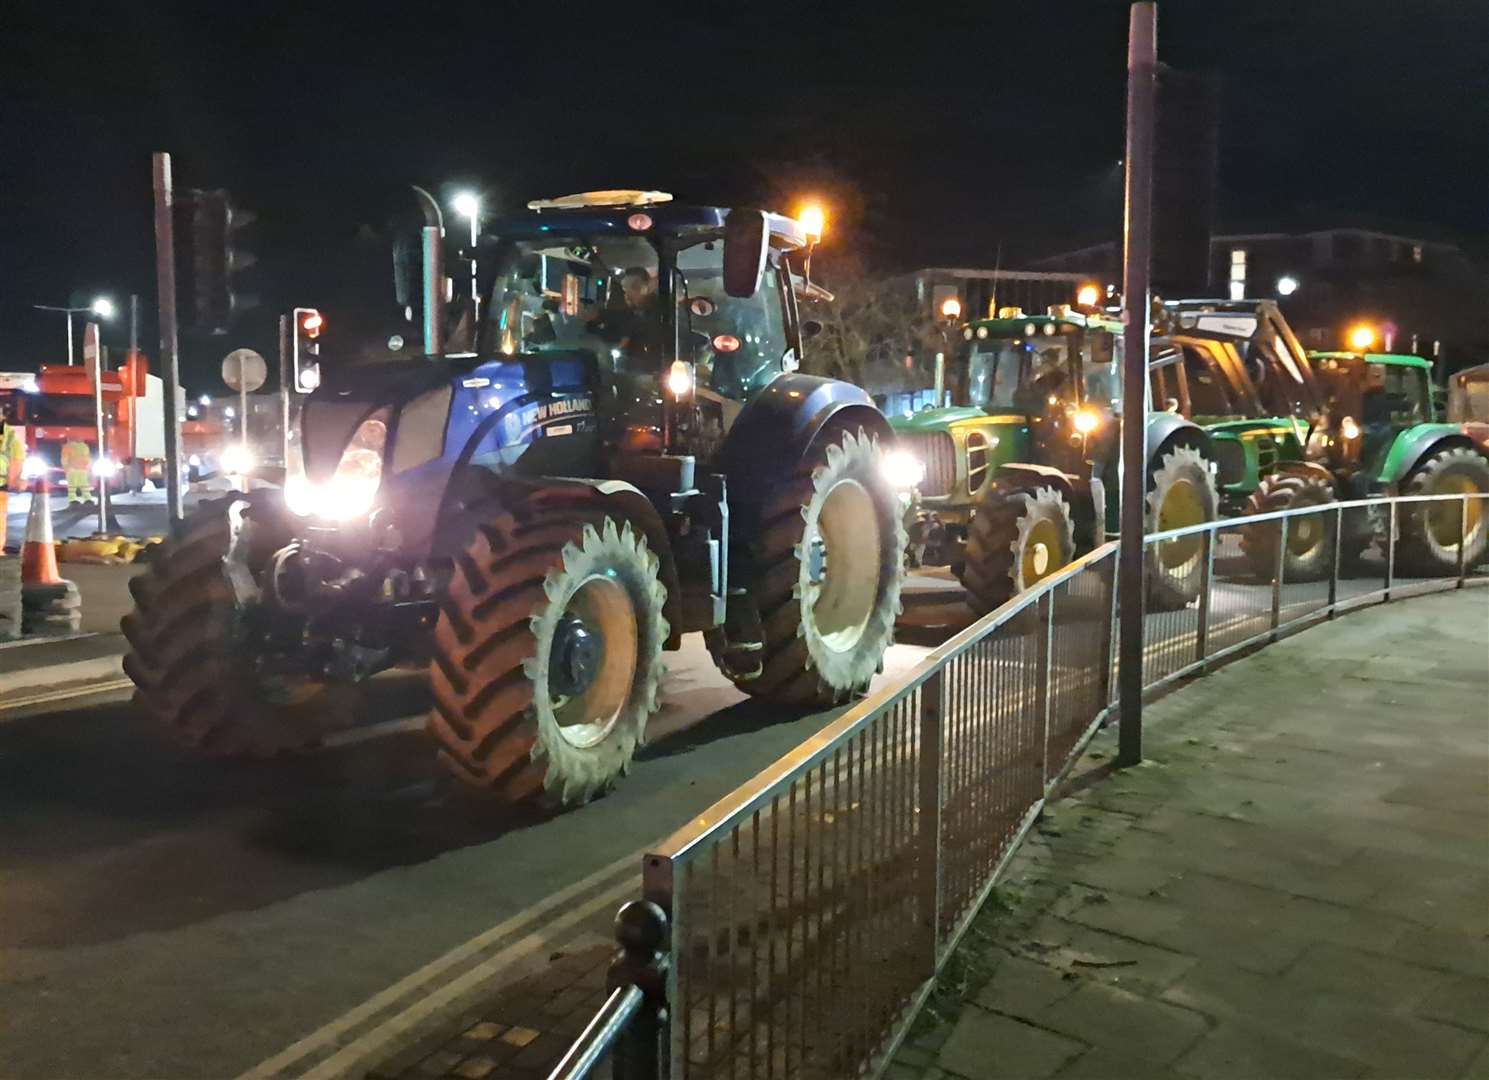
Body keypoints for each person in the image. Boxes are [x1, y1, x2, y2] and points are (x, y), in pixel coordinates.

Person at [586, 267, 664, 371]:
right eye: (625, 290)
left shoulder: (658, 311)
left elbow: (626, 331)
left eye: (631, 289)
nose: (627, 295)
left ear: (644, 288)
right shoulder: (636, 312)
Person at [61, 438, 94, 505]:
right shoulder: (84, 446)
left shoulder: (67, 446)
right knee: (84, 485)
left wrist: (66, 468)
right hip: (83, 469)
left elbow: (64, 459)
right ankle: (87, 499)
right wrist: (89, 468)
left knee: (72, 486)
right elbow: (88, 458)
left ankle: (73, 500)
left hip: (72, 469)